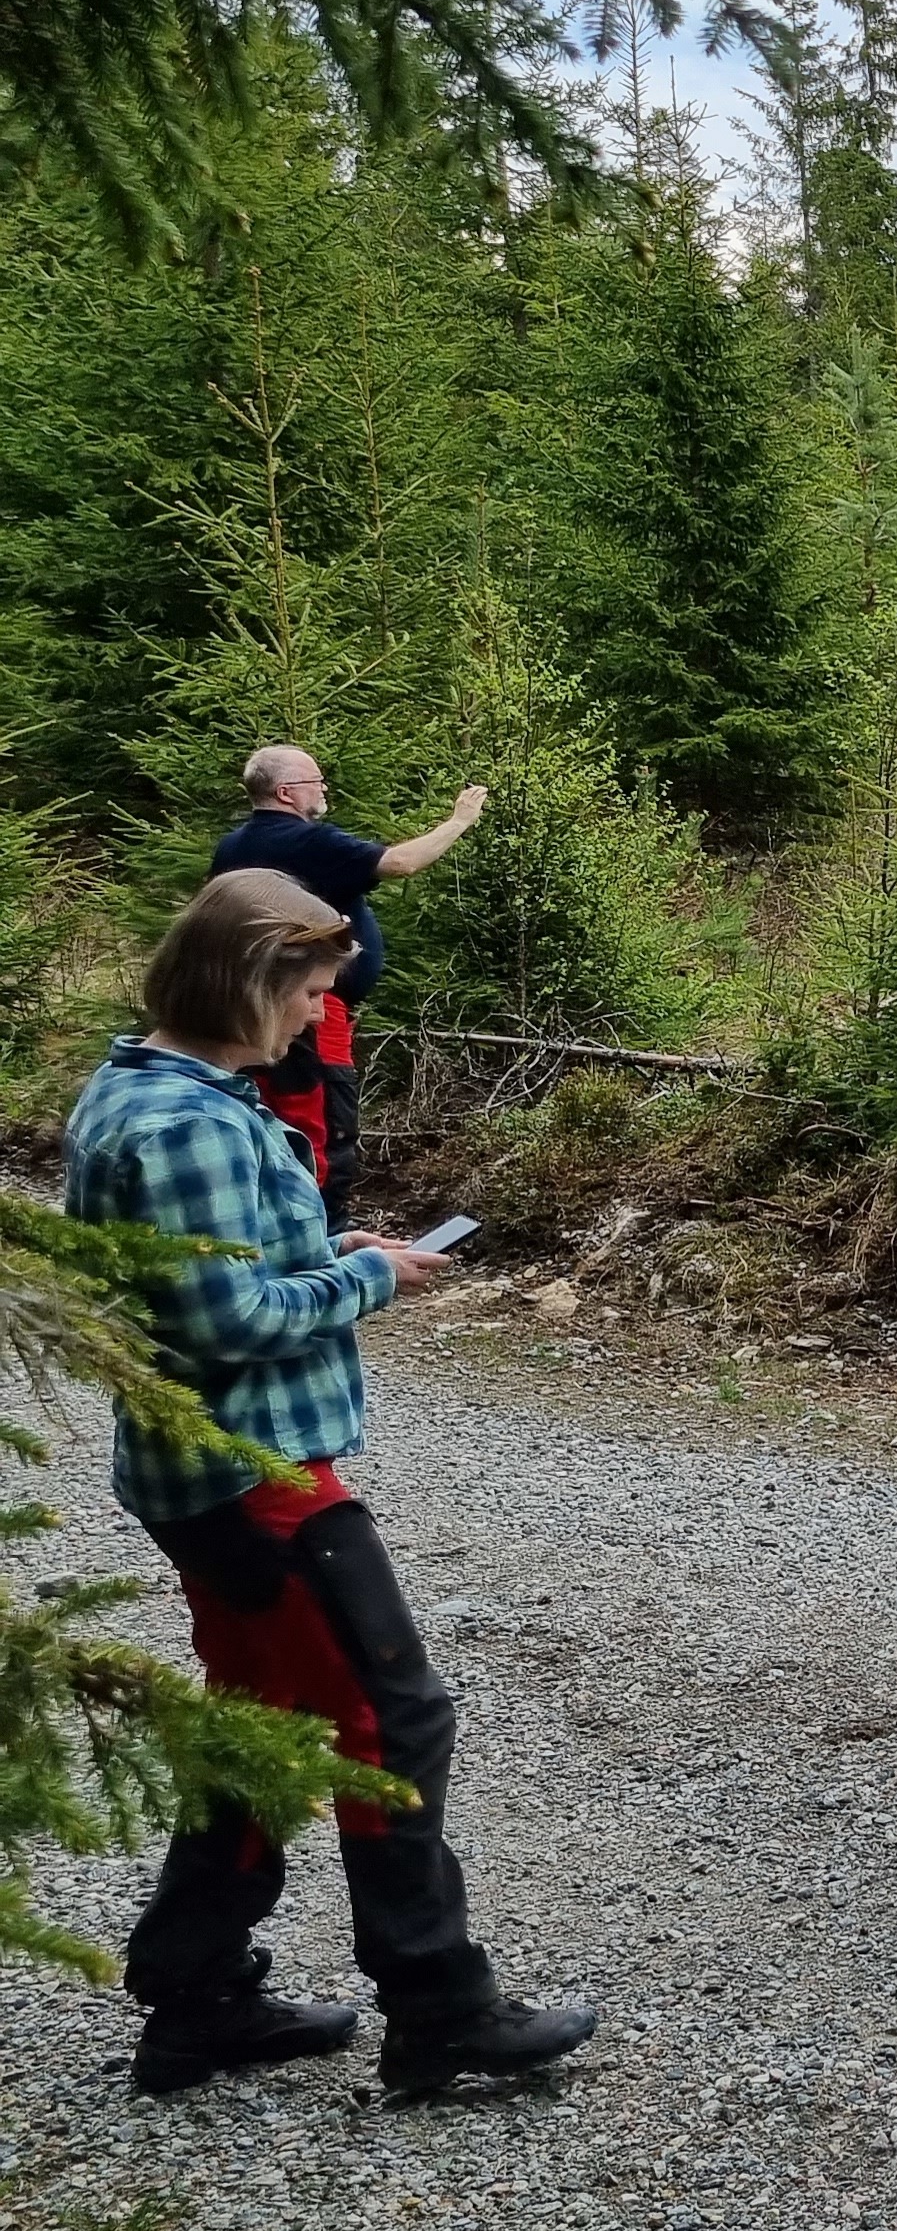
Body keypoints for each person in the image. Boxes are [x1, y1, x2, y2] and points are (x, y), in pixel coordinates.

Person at [66, 870, 593, 2099]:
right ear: (251, 981)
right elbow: (221, 1317)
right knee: (391, 1718)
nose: (316, 1016)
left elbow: (218, 1270)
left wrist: (328, 1246)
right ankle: (440, 2008)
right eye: (307, 992)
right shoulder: (190, 1122)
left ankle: (194, 1994)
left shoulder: (146, 1089)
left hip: (206, 1473)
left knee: (268, 1718)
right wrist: (368, 1283)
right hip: (253, 1480)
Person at [208, 747, 488, 1228]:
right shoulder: (304, 840)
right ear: (286, 792)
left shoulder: (232, 847)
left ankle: (275, 1224)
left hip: (253, 1008)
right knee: (323, 1119)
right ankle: (322, 1235)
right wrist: (459, 820)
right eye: (316, 780)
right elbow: (400, 862)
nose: (324, 789)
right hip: (312, 1009)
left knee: (272, 1110)